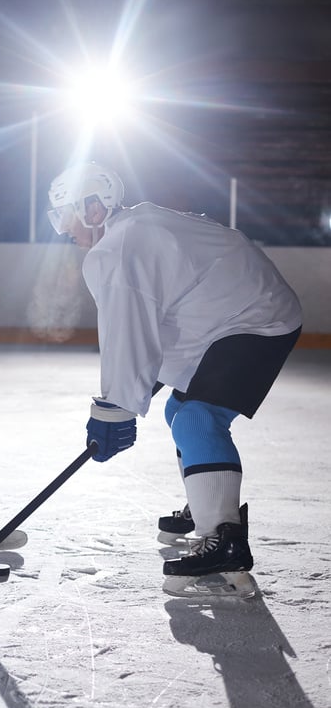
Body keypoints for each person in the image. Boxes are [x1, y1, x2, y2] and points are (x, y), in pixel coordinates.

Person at [47, 162, 302, 597]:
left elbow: (128, 331)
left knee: (197, 418)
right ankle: (209, 502)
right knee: (179, 409)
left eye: (65, 214)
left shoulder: (118, 249)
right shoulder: (133, 229)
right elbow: (152, 323)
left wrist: (115, 409)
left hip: (255, 319)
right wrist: (130, 393)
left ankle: (223, 541)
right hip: (230, 314)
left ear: (93, 209)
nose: (63, 228)